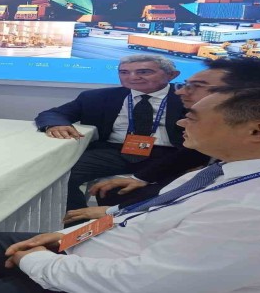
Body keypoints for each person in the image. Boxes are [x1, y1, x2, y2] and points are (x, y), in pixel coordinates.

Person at [0, 85, 260, 292]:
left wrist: (37, 262)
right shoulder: (223, 170)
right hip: (95, 249)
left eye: (192, 117)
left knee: (7, 254)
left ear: (258, 131)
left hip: (107, 277)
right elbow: (141, 217)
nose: (180, 122)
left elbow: (142, 283)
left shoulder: (257, 210)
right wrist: (68, 236)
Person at [64, 57, 260, 224]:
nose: (181, 93)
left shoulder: (258, 203)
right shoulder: (234, 159)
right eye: (124, 72)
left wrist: (119, 213)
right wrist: (120, 207)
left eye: (196, 86)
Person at [35, 54, 190, 211]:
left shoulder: (190, 98)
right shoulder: (97, 97)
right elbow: (53, 114)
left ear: (172, 75)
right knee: (60, 173)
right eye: (124, 72)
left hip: (171, 154)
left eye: (144, 72)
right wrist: (56, 124)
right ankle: (76, 220)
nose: (133, 77)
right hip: (115, 151)